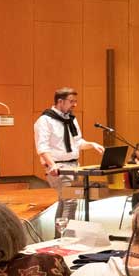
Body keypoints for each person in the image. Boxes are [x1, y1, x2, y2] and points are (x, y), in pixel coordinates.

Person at [34, 87, 104, 230]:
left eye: (75, 101)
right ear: (60, 101)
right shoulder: (45, 120)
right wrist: (52, 165)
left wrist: (91, 144)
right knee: (71, 200)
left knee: (64, 200)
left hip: (74, 166)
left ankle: (59, 237)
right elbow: (42, 147)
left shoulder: (71, 119)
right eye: (71, 101)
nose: (75, 105)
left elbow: (77, 143)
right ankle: (68, 237)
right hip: (58, 167)